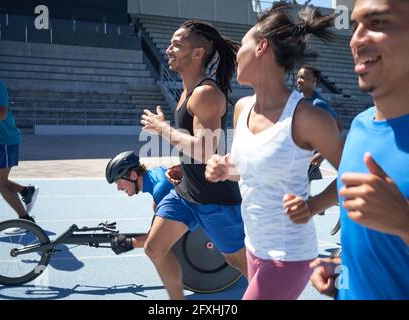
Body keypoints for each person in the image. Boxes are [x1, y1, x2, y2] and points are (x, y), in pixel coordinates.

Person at [205, 2, 343, 300]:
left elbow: (352, 172)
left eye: (242, 44)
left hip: (288, 255)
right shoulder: (242, 109)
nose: (235, 53)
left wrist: (314, 204)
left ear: (261, 47)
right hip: (254, 247)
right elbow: (246, 168)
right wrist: (223, 168)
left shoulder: (306, 118)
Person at [307, 0, 409, 299]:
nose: (356, 39)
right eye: (354, 26)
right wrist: (342, 267)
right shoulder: (360, 127)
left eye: (377, 23)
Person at [140, 20, 247, 300]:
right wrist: (183, 166)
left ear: (198, 53)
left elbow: (204, 150)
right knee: (154, 247)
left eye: (177, 45)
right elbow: (193, 149)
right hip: (188, 193)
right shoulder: (187, 91)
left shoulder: (206, 93)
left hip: (216, 199)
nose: (168, 50)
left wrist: (162, 129)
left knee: (241, 264)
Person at [0, 45, 39, 233]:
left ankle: (26, 221)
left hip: (5, 140)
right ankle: (25, 191)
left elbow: (2, 114)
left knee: (0, 182)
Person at [105, 150, 174, 252]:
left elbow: (159, 238)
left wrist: (128, 243)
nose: (119, 188)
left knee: (153, 249)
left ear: (133, 175)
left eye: (119, 182)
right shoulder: (155, 175)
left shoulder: (161, 187)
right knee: (156, 207)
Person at [297, 64, 342, 188]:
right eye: (298, 77)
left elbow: (338, 128)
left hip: (308, 159)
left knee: (300, 194)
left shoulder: (318, 104)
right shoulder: (296, 100)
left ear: (314, 81)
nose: (299, 80)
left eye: (303, 78)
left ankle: (318, 207)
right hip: (295, 156)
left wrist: (322, 154)